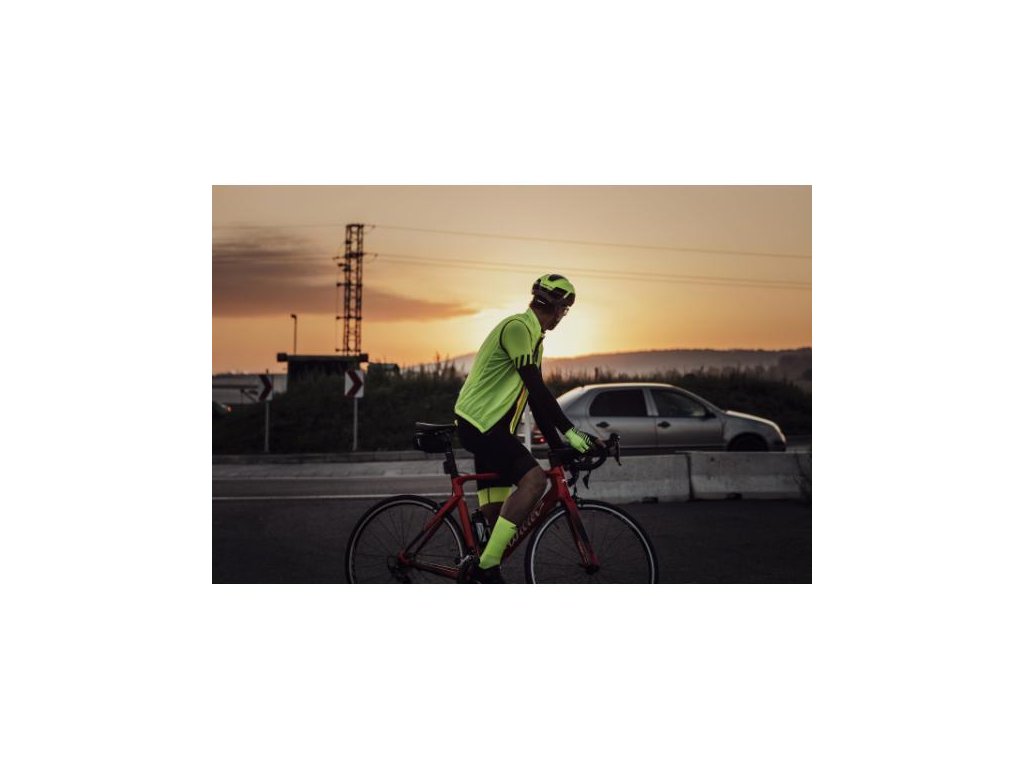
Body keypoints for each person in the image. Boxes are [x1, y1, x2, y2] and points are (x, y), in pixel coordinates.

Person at [454, 274, 603, 583]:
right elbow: (536, 387)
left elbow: (535, 400)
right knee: (534, 482)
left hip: (492, 429)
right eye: (565, 310)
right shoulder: (518, 329)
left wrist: (557, 445)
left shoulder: (533, 339)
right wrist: (571, 432)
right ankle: (486, 567)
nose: (563, 316)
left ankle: (480, 566)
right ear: (559, 309)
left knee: (496, 522)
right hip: (481, 425)